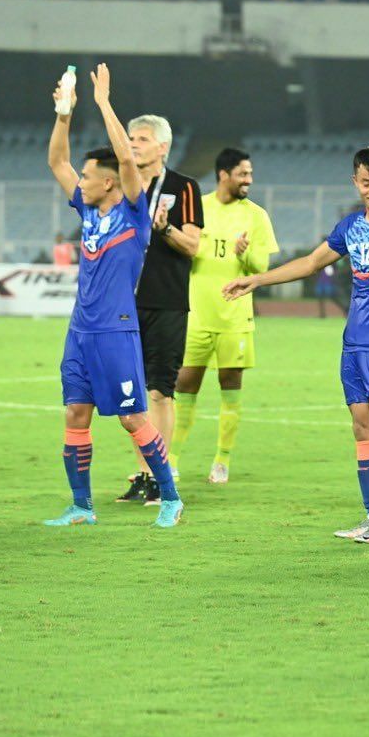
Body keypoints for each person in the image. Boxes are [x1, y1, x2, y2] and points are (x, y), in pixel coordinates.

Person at [223, 146, 369, 544]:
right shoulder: (349, 227)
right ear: (355, 182)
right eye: (367, 182)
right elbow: (309, 262)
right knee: (361, 430)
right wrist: (256, 280)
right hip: (354, 342)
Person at [43, 63, 183, 528]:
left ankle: (169, 496)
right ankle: (82, 506)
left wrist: (103, 104)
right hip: (80, 329)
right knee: (75, 411)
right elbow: (56, 163)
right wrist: (64, 114)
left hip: (116, 330)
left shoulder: (134, 214)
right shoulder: (87, 208)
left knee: (131, 418)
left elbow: (127, 161)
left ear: (107, 182)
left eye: (88, 175)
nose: (79, 180)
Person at [169, 148, 279, 485]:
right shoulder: (197, 208)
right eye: (242, 174)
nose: (248, 180)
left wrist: (245, 255)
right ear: (223, 175)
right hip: (196, 314)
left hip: (235, 318)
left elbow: (261, 269)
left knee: (230, 386)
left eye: (250, 174)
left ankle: (222, 460)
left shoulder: (256, 215)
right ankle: (171, 460)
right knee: (184, 386)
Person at [115, 112, 203, 505]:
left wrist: (164, 228)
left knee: (160, 391)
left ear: (163, 147)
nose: (134, 143)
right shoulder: (121, 186)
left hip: (166, 301)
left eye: (143, 138)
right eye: (132, 137)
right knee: (132, 395)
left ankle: (160, 476)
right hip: (123, 303)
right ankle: (141, 475)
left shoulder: (184, 187)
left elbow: (193, 246)